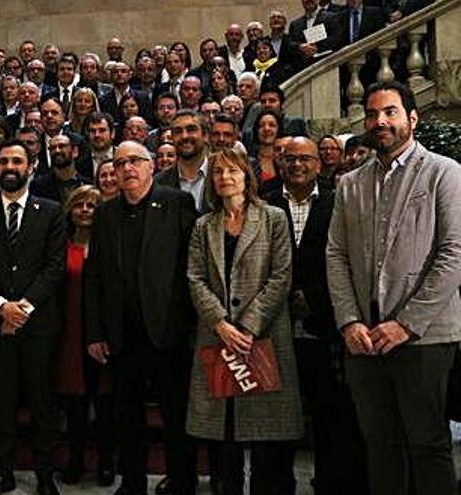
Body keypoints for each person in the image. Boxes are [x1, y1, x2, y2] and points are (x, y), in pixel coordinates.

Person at [326, 81, 461, 495]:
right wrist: (349, 321)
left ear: (412, 118)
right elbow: (336, 255)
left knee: (427, 444)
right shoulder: (350, 184)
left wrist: (405, 324)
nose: (379, 121)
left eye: (390, 112)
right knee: (380, 445)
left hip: (425, 337)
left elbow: (454, 254)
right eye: (371, 114)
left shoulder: (445, 173)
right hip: (364, 339)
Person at [186, 148, 304, 495]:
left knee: (266, 436)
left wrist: (247, 326)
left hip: (262, 338)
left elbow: (281, 276)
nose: (225, 177)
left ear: (246, 176)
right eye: (219, 172)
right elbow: (194, 278)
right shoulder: (203, 225)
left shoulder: (273, 218)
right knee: (224, 439)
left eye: (232, 171)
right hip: (217, 340)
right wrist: (221, 324)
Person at [85, 141, 199, 495]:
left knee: (175, 417)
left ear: (151, 165)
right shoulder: (105, 214)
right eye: (119, 164)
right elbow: (94, 278)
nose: (127, 169)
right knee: (127, 417)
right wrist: (94, 332)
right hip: (123, 335)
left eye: (134, 161)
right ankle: (132, 482)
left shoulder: (177, 203)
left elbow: (192, 267)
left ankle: (182, 482)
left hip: (168, 332)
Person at [265, 137, 367, 495]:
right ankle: (278, 485)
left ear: (319, 164)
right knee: (277, 418)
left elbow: (350, 260)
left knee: (330, 416)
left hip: (323, 327)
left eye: (304, 159)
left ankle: (330, 484)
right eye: (289, 158)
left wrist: (314, 298)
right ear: (280, 163)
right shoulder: (264, 200)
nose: (296, 165)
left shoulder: (338, 201)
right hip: (273, 328)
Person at [0, 140, 66, 495]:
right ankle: (3, 473)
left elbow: (54, 268)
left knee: (42, 403)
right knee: (2, 402)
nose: (9, 166)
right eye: (3, 161)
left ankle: (44, 476)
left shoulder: (52, 211)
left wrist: (21, 308)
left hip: (38, 325)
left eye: (17, 161)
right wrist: (0, 307)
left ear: (31, 166)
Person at [53, 185, 115, 486]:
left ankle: (106, 462)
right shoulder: (60, 247)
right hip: (70, 336)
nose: (86, 210)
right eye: (79, 205)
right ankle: (75, 460)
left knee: (105, 405)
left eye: (92, 205)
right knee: (75, 406)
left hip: (105, 335)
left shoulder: (111, 246)